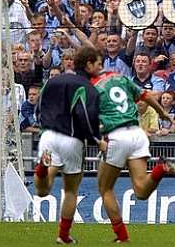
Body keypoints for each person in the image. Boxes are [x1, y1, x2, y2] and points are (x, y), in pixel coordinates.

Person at [80, 45, 175, 243]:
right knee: (141, 191)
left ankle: (122, 237)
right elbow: (146, 96)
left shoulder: (90, 89)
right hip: (137, 133)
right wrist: (162, 113)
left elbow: (86, 118)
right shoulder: (120, 77)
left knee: (105, 189)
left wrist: (96, 137)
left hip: (116, 136)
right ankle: (160, 169)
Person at [33, 47, 101, 245]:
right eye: (97, 63)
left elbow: (38, 108)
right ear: (88, 64)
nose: (100, 67)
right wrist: (96, 139)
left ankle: (42, 168)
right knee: (70, 190)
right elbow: (86, 116)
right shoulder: (88, 87)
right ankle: (63, 235)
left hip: (47, 135)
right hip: (71, 139)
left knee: (43, 191)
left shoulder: (52, 81)